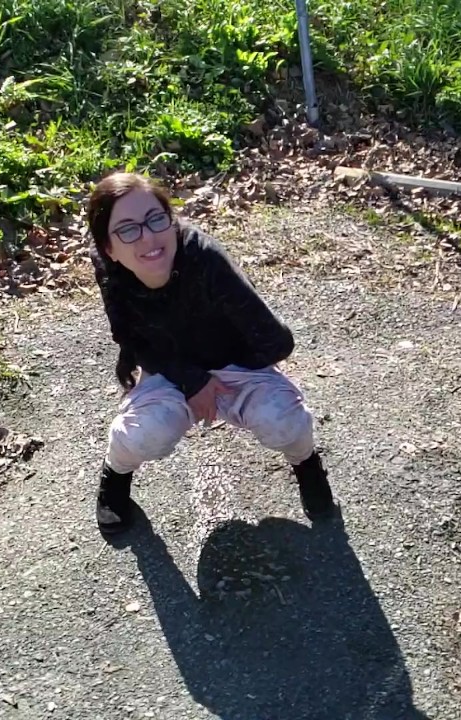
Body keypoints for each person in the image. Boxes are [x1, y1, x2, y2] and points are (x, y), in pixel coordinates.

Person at [86, 171, 335, 535]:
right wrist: (191, 379)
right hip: (170, 367)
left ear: (172, 220)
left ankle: (307, 463)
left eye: (156, 219)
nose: (148, 237)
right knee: (142, 434)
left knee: (284, 419)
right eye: (127, 229)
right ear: (109, 248)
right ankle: (115, 475)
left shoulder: (203, 257)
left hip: (233, 361)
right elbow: (127, 336)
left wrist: (221, 373)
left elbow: (277, 342)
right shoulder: (107, 267)